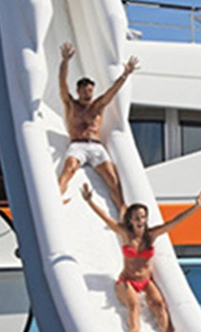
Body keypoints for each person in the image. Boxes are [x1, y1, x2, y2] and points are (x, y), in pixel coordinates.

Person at [81, 183, 201, 332]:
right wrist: (90, 201)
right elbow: (105, 218)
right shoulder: (125, 234)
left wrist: (195, 206)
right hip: (126, 281)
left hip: (145, 280)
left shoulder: (151, 235)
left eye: (143, 217)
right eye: (137, 217)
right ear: (130, 220)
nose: (140, 221)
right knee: (134, 305)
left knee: (159, 304)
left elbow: (174, 222)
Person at [57, 42, 139, 213]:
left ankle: (122, 210)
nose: (88, 94)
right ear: (78, 90)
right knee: (69, 169)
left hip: (96, 146)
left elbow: (112, 92)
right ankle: (56, 199)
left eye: (90, 91)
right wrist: (65, 61)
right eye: (85, 91)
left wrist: (125, 75)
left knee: (112, 178)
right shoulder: (71, 104)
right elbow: (62, 82)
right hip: (77, 145)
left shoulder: (98, 105)